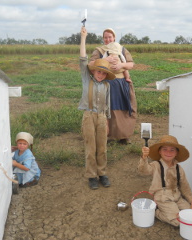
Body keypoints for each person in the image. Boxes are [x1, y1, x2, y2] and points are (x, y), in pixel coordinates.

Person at [79, 26, 116, 190]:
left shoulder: (107, 85)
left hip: (101, 117)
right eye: (98, 72)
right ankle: (91, 176)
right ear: (93, 72)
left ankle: (102, 173)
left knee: (102, 147)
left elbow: (107, 105)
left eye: (103, 73)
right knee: (90, 147)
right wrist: (83, 38)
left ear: (106, 74)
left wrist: (107, 121)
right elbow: (82, 59)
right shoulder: (87, 79)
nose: (100, 75)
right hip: (89, 116)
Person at [138, 135, 192, 227]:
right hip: (162, 197)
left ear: (176, 153)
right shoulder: (156, 165)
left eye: (172, 150)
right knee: (179, 222)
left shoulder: (179, 168)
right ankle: (155, 212)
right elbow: (144, 170)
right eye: (165, 149)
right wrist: (144, 157)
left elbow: (185, 186)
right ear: (160, 151)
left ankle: (172, 210)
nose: (168, 152)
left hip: (177, 197)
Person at [89, 28, 137, 144]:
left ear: (114, 37)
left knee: (124, 109)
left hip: (121, 84)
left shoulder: (121, 49)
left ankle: (124, 136)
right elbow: (90, 64)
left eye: (110, 37)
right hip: (105, 84)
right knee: (106, 110)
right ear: (103, 39)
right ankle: (106, 136)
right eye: (105, 37)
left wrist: (121, 65)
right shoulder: (99, 50)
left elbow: (131, 64)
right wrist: (105, 59)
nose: (108, 39)